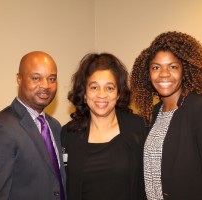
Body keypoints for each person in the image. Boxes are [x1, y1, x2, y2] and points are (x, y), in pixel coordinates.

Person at [130, 31, 202, 199]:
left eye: (173, 66)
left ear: (185, 70)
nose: (164, 74)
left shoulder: (201, 109)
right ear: (148, 74)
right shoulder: (154, 112)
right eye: (156, 67)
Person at [0, 51, 66, 200]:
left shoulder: (55, 126)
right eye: (36, 78)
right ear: (19, 79)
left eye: (52, 79)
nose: (46, 85)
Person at [61, 53, 148, 200]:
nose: (102, 95)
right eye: (94, 87)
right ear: (84, 93)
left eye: (109, 88)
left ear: (118, 93)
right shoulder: (68, 133)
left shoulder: (138, 128)